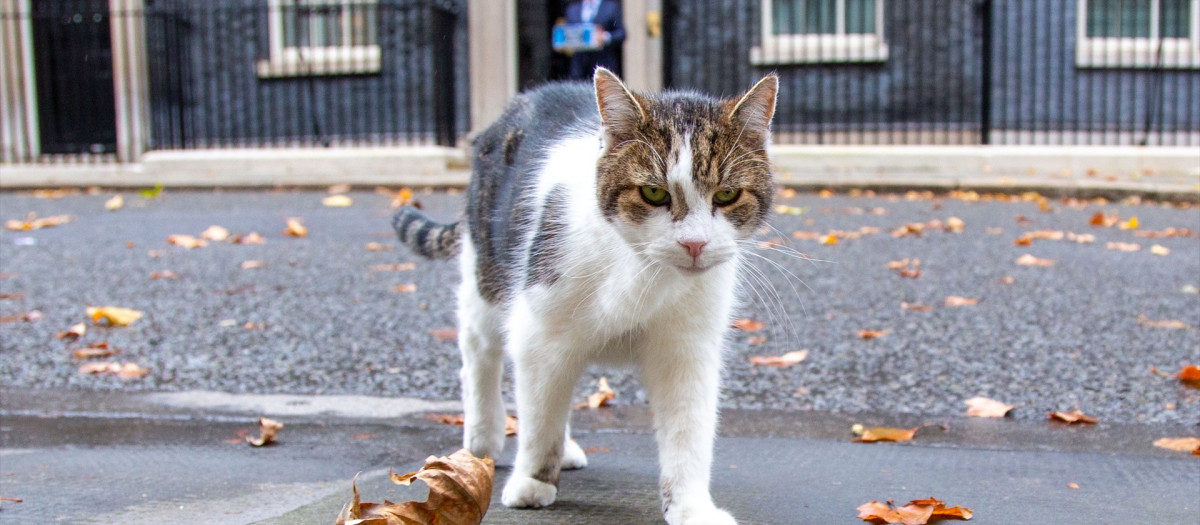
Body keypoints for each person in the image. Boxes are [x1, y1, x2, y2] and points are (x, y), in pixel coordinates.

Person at [564, 0, 625, 80]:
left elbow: (621, 34)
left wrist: (605, 37)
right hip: (579, 65)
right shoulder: (573, 9)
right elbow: (567, 33)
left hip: (603, 62)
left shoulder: (611, 7)